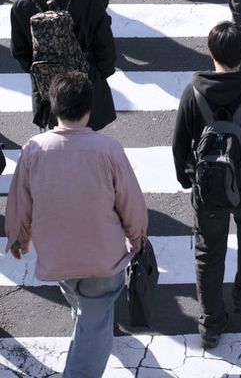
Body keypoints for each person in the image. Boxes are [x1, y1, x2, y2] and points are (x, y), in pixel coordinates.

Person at [5, 72, 148, 378]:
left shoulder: (34, 148)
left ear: (53, 108)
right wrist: (136, 239)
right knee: (95, 327)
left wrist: (19, 237)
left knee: (81, 302)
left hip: (57, 257)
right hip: (103, 257)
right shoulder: (108, 149)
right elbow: (131, 204)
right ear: (89, 110)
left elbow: (20, 199)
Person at [172, 21, 241, 349]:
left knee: (208, 251)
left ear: (211, 53)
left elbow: (180, 144)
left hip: (207, 188)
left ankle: (210, 322)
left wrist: (186, 178)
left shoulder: (194, 92)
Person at [10, 0, 116, 130]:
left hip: (49, 95)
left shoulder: (22, 4)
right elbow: (107, 53)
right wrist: (96, 75)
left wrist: (44, 72)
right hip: (87, 91)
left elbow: (21, 53)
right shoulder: (89, 0)